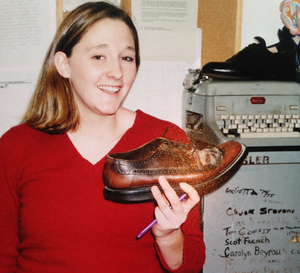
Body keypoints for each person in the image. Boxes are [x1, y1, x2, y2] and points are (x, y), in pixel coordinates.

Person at [0, 2, 205, 272]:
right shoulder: (16, 146)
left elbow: (190, 264)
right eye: (99, 57)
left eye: (127, 58)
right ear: (64, 65)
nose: (117, 72)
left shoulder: (166, 140)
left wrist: (167, 234)